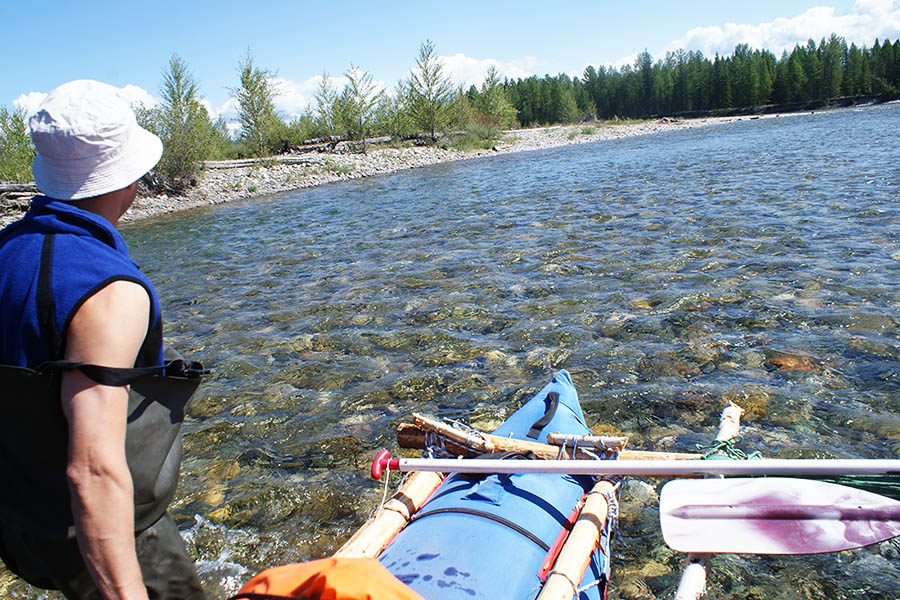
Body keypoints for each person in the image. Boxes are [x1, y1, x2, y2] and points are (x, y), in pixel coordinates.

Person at [0, 80, 206, 600]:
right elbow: (93, 470)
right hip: (103, 537)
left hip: (19, 524)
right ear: (129, 175)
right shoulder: (111, 292)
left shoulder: (5, 252)